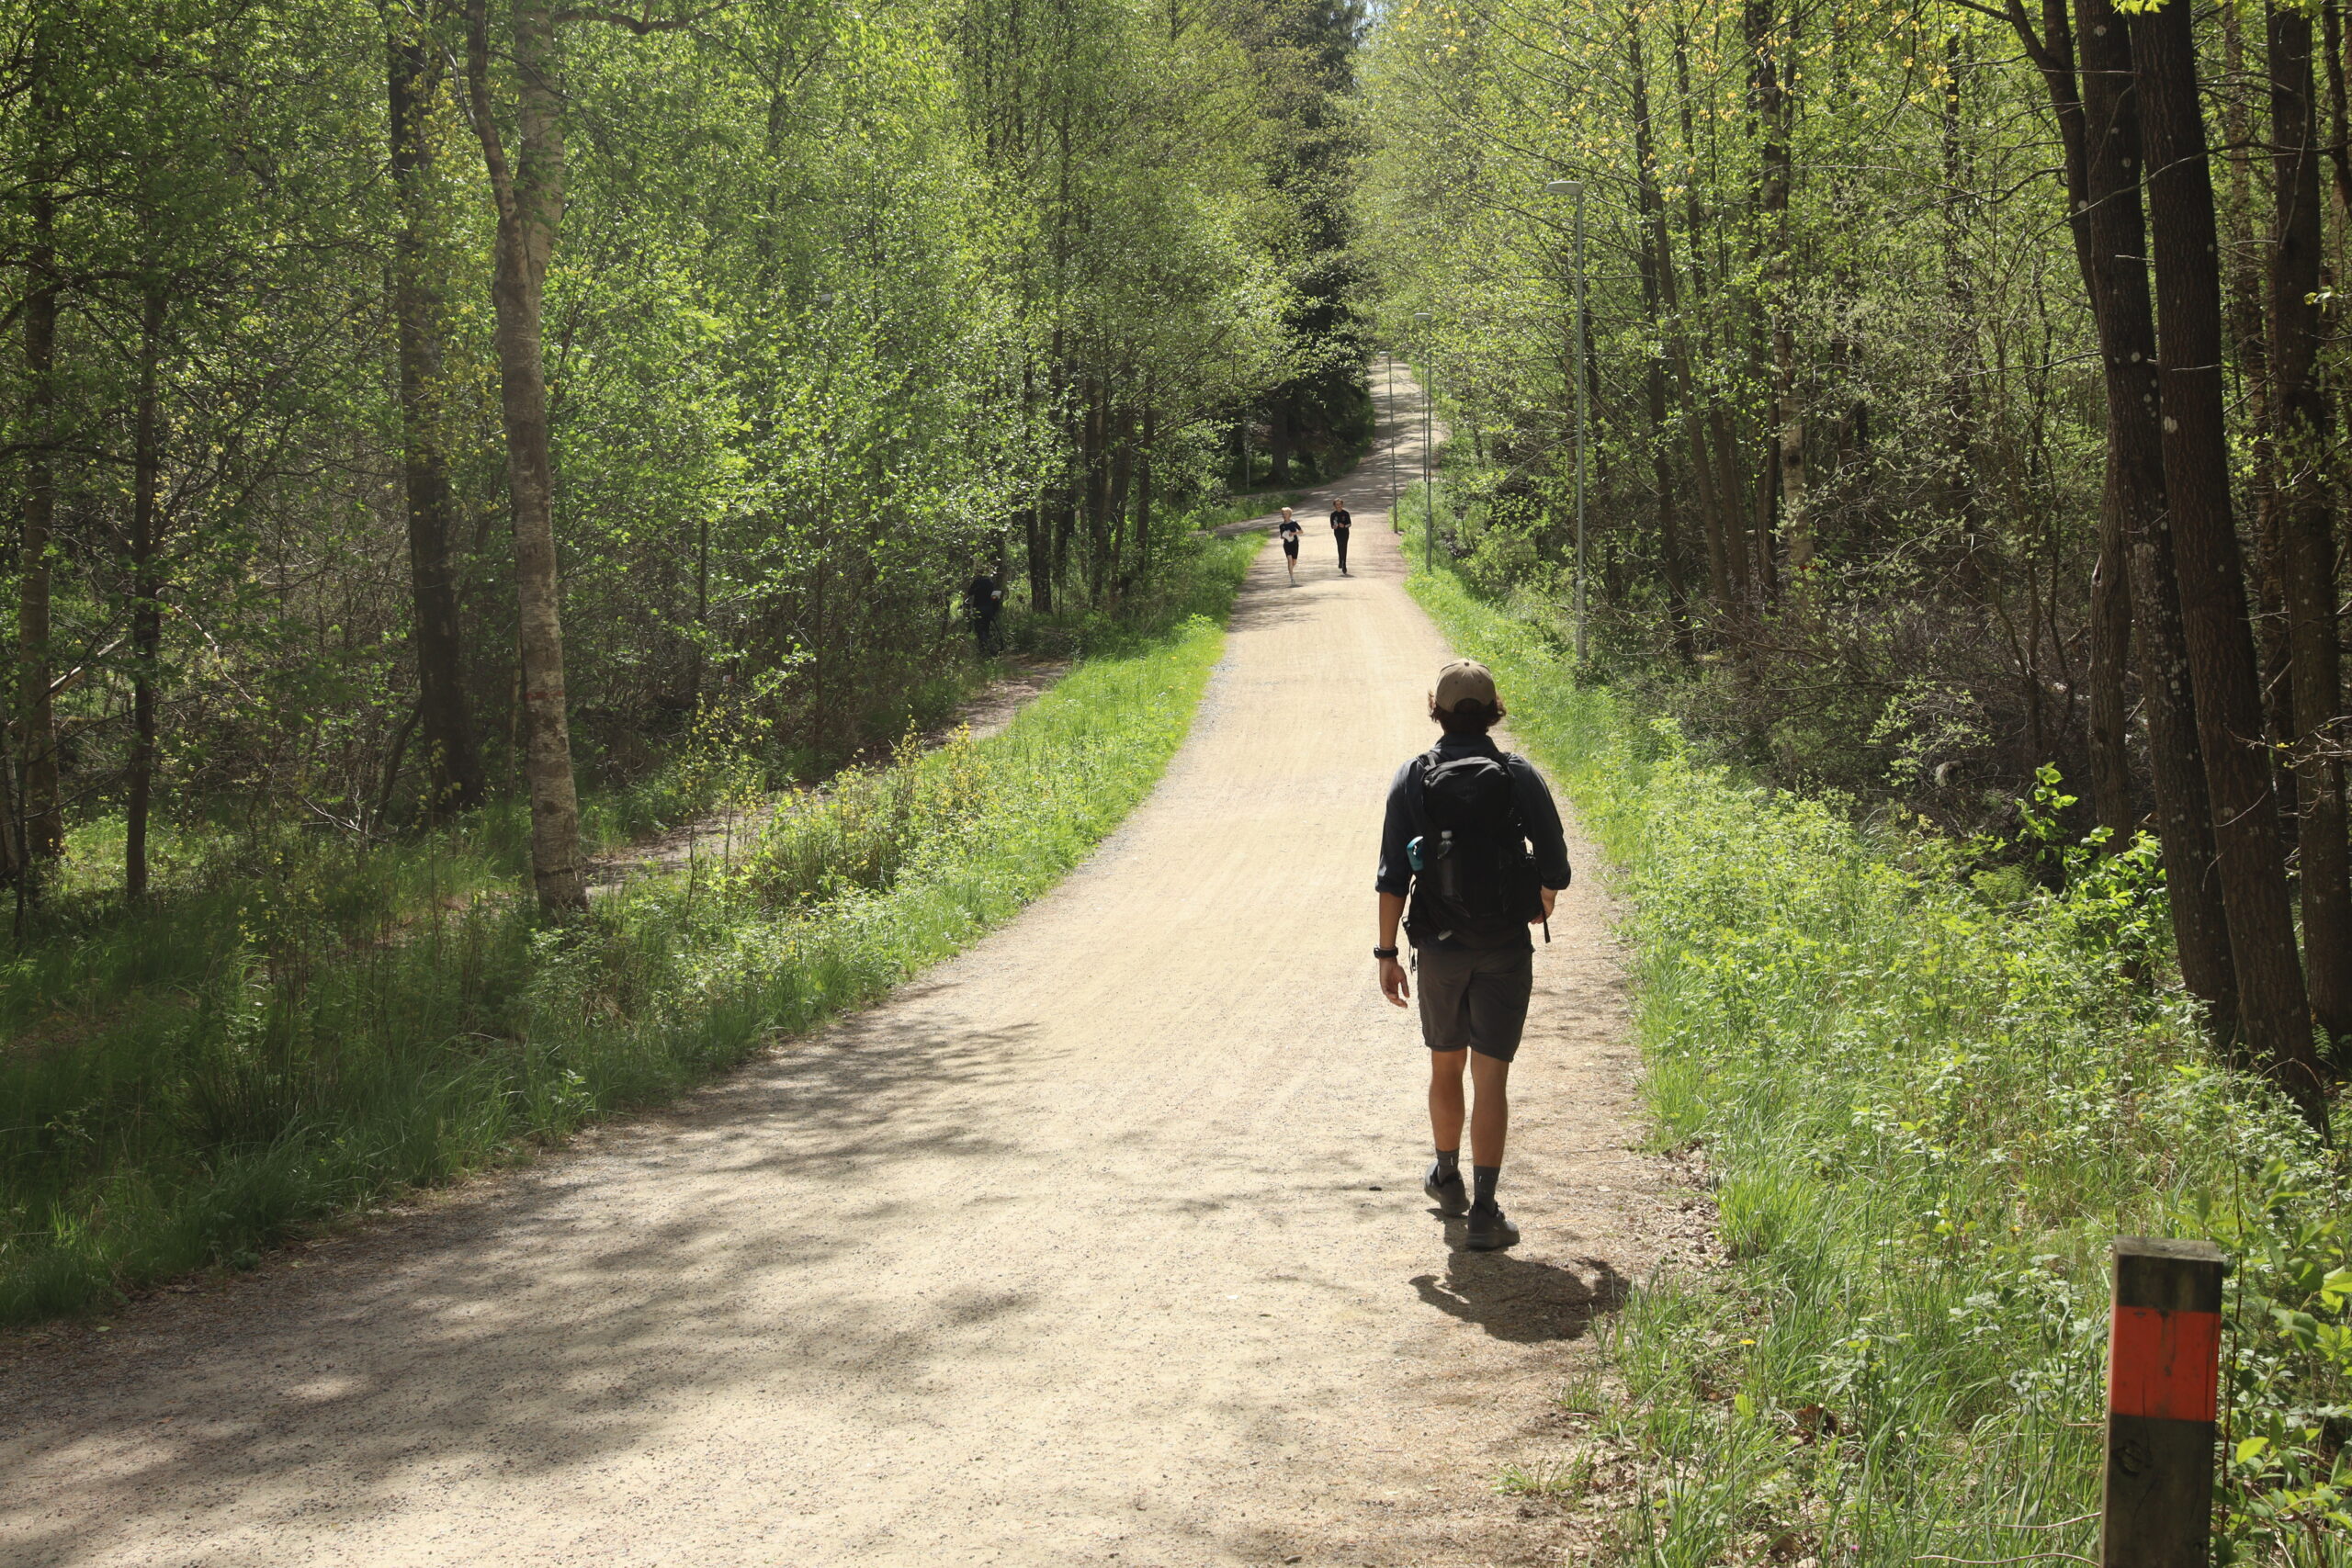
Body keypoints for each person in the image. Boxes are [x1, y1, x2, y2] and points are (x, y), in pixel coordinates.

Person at [1373, 660, 1571, 1251]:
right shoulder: (1515, 773)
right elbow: (1556, 861)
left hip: (1438, 945)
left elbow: (1392, 875)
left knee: (1445, 1067)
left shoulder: (1414, 776)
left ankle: (1448, 1179)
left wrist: (1387, 952)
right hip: (1503, 946)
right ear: (1493, 711)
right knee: (1491, 1078)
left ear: (1436, 709)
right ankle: (1485, 1212)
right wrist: (1541, 899)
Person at [965, 568, 1003, 654]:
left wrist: (976, 590)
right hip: (989, 608)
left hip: (979, 608)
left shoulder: (977, 582)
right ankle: (989, 645)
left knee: (979, 628)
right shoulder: (990, 582)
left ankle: (983, 648)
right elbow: (995, 595)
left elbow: (970, 592)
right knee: (986, 626)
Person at [1276, 507, 1303, 584]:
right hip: (1287, 544)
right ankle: (1292, 578)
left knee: (1294, 561)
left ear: (1290, 515)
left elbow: (1301, 531)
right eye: (1283, 514)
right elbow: (1281, 536)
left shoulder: (1294, 523)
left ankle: (1290, 570)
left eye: (1286, 514)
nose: (1284, 515)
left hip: (1295, 543)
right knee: (1289, 561)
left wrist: (1293, 533)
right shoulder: (1281, 525)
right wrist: (1284, 536)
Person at [1329, 501, 1352, 575]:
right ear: (1334, 506)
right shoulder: (1333, 514)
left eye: (1340, 504)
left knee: (1344, 547)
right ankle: (1340, 560)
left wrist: (1344, 526)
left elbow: (1350, 524)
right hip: (1337, 533)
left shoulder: (1346, 513)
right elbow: (1332, 525)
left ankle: (1344, 563)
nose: (1338, 506)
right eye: (1337, 504)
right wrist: (1334, 526)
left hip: (1345, 532)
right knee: (1339, 545)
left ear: (1342, 505)